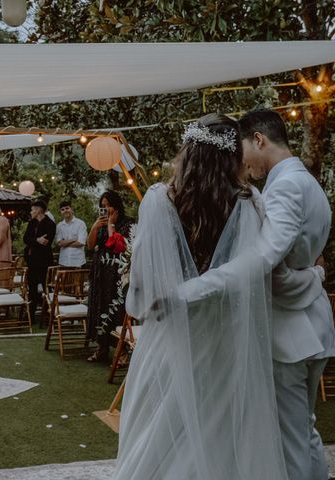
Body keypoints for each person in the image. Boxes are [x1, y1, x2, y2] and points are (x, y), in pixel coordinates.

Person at [113, 113, 310, 480]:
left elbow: (139, 302)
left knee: (158, 440)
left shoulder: (159, 201)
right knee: (222, 440)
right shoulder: (250, 203)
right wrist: (314, 273)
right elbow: (256, 275)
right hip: (227, 347)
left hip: (170, 345)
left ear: (187, 153)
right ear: (232, 157)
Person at [175, 109, 335, 480]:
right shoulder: (307, 182)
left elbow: (263, 264)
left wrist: (193, 289)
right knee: (304, 435)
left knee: (290, 442)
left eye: (242, 149)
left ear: (258, 140)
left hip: (290, 335)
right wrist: (317, 273)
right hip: (311, 329)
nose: (241, 162)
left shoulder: (286, 187)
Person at [85, 190, 131, 362]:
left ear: (116, 205)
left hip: (117, 273)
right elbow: (90, 245)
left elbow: (118, 247)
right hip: (100, 272)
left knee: (117, 310)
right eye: (102, 206)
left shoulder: (127, 224)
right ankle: (101, 348)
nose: (105, 209)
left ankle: (122, 351)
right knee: (99, 307)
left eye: (108, 205)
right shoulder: (100, 224)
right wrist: (95, 227)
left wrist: (111, 225)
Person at [23, 200, 56, 325]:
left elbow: (46, 242)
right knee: (32, 288)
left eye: (33, 209)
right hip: (31, 261)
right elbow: (25, 239)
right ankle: (30, 316)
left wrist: (35, 241)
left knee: (46, 287)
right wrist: (36, 240)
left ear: (39, 210)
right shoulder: (32, 223)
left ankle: (49, 315)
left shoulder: (50, 224)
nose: (31, 212)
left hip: (44, 261)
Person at [55, 200, 87, 268]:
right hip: (63, 262)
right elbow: (59, 243)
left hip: (78, 262)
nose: (65, 210)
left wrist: (64, 243)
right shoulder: (59, 226)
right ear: (61, 212)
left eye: (67, 208)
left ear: (71, 209)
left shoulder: (81, 224)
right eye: (62, 209)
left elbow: (81, 243)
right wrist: (74, 239)